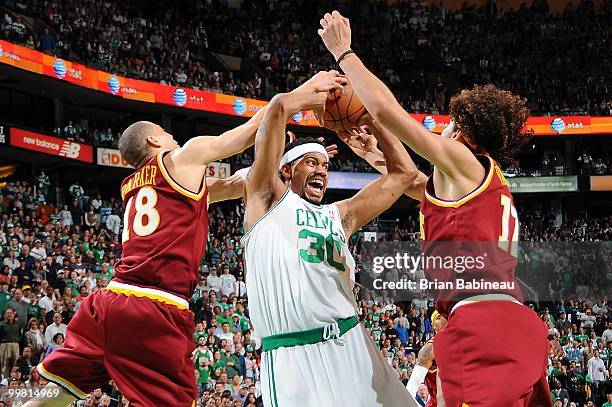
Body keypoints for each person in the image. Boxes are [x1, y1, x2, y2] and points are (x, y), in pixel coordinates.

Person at [27, 72, 338, 407]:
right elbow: (245, 135)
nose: (173, 137)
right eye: (166, 133)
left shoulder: (135, 187)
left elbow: (237, 184)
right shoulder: (181, 157)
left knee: (55, 394)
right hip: (154, 307)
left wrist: (290, 163)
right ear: (153, 143)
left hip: (107, 302)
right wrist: (300, 96)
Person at [318, 10, 552, 406]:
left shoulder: (462, 158)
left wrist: (344, 53)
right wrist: (374, 149)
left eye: (449, 123)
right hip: (508, 324)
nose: (442, 127)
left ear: (461, 131)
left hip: (483, 326)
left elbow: (389, 113)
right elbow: (411, 182)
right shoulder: (475, 182)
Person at [241, 75, 419, 406]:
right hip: (293, 357)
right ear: (286, 172)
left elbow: (403, 175)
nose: (322, 170)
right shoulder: (264, 200)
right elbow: (278, 108)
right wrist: (316, 93)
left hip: (351, 341)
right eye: (311, 162)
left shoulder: (341, 215)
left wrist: (372, 120)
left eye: (325, 164)